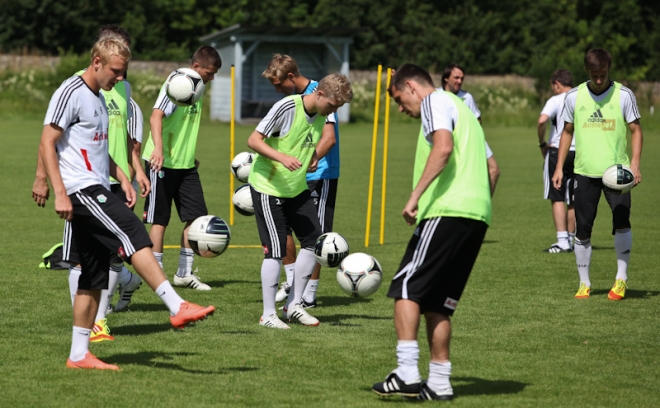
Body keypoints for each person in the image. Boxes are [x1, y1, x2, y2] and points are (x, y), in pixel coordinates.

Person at [35, 37, 215, 370]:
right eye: (116, 72)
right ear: (97, 61)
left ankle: (78, 355)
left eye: (123, 73)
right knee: (132, 229)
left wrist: (124, 177)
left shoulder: (101, 99)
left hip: (99, 183)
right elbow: (48, 141)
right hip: (80, 189)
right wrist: (57, 189)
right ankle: (176, 306)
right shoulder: (70, 91)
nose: (120, 78)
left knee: (93, 274)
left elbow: (100, 152)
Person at [372, 64, 491, 400]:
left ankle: (407, 371)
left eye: (399, 99)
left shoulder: (433, 102)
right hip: (477, 215)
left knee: (405, 288)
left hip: (447, 210)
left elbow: (443, 147)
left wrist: (415, 197)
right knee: (439, 304)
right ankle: (440, 382)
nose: (400, 108)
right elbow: (493, 168)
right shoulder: (466, 111)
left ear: (410, 86)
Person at [32, 25, 149, 342]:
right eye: (116, 63)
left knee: (114, 253)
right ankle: (87, 325)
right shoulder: (79, 84)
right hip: (81, 182)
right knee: (81, 256)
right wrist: (41, 177)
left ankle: (99, 321)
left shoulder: (122, 88)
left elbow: (124, 137)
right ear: (101, 56)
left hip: (113, 178)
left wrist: (134, 170)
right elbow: (52, 138)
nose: (120, 72)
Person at [247, 73, 352, 329]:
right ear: (319, 93)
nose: (334, 111)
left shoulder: (324, 113)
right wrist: (282, 158)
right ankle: (268, 315)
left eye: (338, 107)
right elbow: (253, 140)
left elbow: (323, 140)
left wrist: (313, 156)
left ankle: (293, 306)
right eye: (333, 105)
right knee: (275, 250)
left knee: (313, 242)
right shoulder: (287, 107)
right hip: (268, 188)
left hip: (296, 189)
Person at [552, 48, 642, 300]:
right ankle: (584, 283)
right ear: (586, 71)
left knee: (622, 223)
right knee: (582, 229)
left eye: (603, 75)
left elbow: (636, 130)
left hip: (618, 173)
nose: (599, 80)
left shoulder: (624, 95)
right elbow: (566, 132)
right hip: (584, 172)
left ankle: (621, 280)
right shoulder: (573, 96)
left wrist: (635, 163)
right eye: (595, 75)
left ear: (608, 70)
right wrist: (559, 167)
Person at [261, 54, 340, 308]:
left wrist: (312, 157)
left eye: (278, 84)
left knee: (316, 238)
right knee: (284, 232)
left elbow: (329, 138)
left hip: (320, 175)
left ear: (291, 77)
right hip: (291, 178)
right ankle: (294, 285)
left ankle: (308, 296)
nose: (276, 89)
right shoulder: (290, 101)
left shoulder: (321, 94)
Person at [142, 46, 222, 291]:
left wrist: (190, 155)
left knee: (196, 218)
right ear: (196, 67)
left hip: (185, 165)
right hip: (161, 162)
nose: (212, 77)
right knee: (160, 220)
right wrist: (158, 149)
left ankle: (184, 274)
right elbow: (156, 116)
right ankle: (157, 276)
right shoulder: (178, 82)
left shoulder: (199, 87)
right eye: (209, 72)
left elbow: (183, 126)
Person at [441, 63, 500, 195]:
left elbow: (478, 120)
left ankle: (483, 205)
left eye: (462, 78)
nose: (459, 81)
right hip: (448, 142)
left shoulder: (467, 97)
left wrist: (475, 138)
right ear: (446, 78)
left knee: (494, 170)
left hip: (471, 138)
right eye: (456, 78)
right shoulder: (437, 95)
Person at [538, 69, 575, 253]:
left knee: (557, 194)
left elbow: (542, 121)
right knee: (574, 198)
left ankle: (562, 242)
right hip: (579, 152)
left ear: (557, 84)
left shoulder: (556, 100)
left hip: (557, 151)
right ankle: (572, 239)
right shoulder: (581, 97)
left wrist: (542, 143)